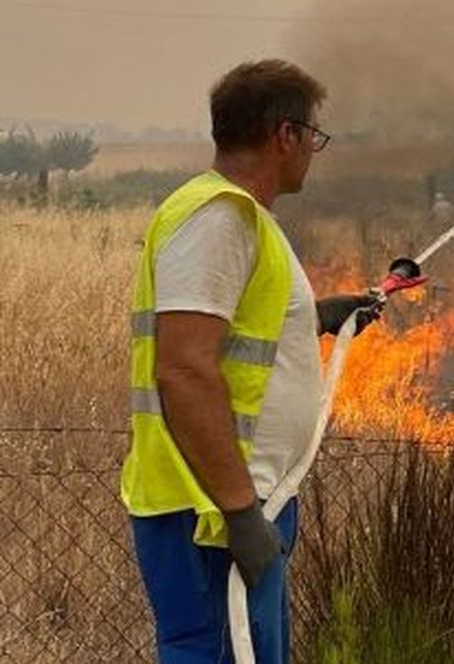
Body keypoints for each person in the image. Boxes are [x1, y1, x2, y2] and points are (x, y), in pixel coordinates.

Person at [119, 59, 379, 663]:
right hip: (211, 510)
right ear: (284, 135)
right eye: (312, 135)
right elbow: (184, 367)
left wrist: (316, 317)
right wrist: (239, 513)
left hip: (238, 501)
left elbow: (233, 332)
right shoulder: (220, 218)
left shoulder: (243, 221)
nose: (314, 149)